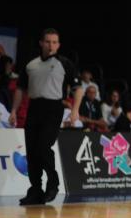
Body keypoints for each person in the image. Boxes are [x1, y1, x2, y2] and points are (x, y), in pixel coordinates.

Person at [10, 29, 83, 205]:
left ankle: (53, 182)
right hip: (34, 108)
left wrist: (75, 110)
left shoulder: (64, 63)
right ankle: (35, 190)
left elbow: (78, 88)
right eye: (48, 42)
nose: (51, 45)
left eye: (54, 42)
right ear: (41, 43)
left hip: (53, 108)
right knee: (32, 151)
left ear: (58, 45)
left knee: (43, 147)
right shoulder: (31, 64)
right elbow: (20, 89)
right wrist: (13, 110)